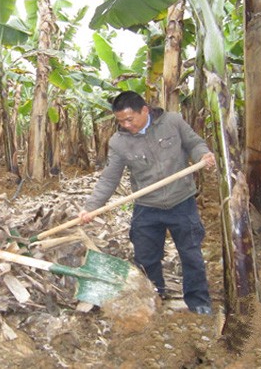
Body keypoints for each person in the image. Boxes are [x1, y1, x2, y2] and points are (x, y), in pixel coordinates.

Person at [79, 90, 215, 315]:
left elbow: (194, 143)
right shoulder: (119, 142)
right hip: (147, 206)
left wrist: (204, 155)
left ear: (145, 110)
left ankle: (199, 301)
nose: (126, 125)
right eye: (120, 121)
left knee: (191, 254)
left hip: (181, 201)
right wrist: (90, 208)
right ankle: (155, 296)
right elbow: (109, 178)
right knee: (145, 258)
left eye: (129, 119)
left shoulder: (172, 122)